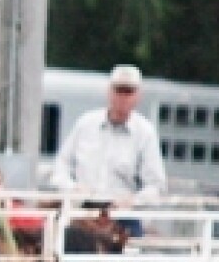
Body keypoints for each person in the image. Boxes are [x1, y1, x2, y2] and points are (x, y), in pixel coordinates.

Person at [50, 64, 168, 239]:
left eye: (128, 92)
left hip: (122, 215)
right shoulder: (86, 124)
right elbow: (60, 167)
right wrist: (72, 188)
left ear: (138, 96)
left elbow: (156, 185)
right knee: (63, 249)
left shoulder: (145, 132)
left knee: (127, 252)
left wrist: (133, 200)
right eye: (118, 90)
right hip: (83, 210)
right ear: (109, 92)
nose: (122, 97)